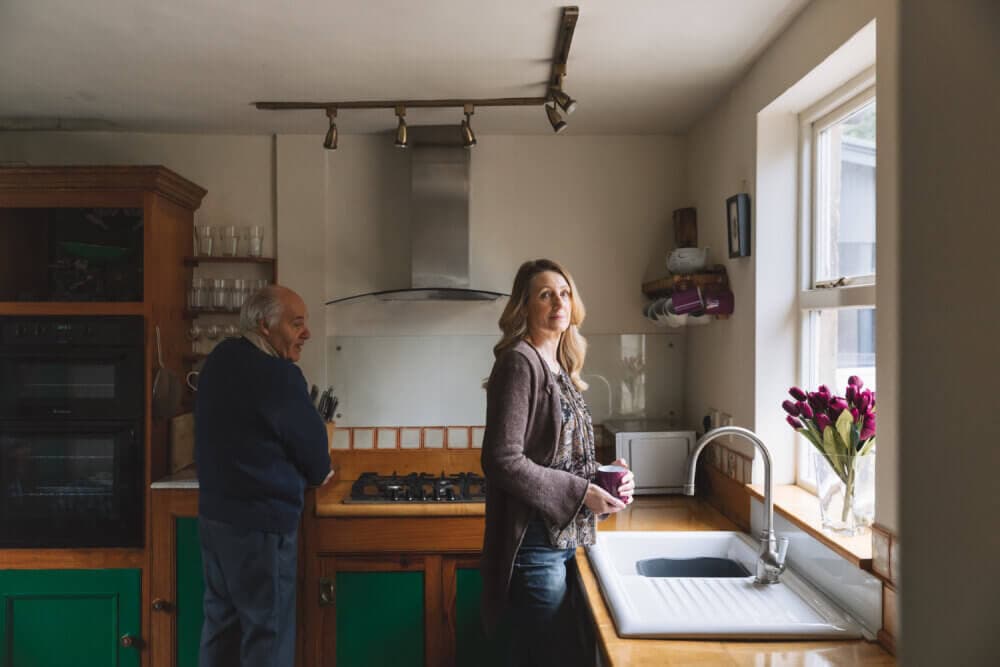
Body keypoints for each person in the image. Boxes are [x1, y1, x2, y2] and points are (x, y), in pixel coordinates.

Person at [480, 259, 635, 666]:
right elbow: (501, 459)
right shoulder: (519, 362)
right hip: (536, 544)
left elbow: (556, 455)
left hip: (565, 539)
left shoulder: (559, 365)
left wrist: (605, 477)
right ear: (525, 306)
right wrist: (583, 492)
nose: (558, 302)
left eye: (564, 293)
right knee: (545, 657)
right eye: (546, 295)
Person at [195, 285, 332, 667]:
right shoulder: (279, 375)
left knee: (220, 627)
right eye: (296, 323)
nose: (306, 333)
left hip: (215, 519)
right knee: (266, 633)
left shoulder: (221, 357)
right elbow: (315, 458)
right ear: (264, 325)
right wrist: (319, 467)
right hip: (261, 524)